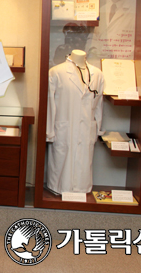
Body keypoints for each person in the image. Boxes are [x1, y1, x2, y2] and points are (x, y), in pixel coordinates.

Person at [46, 49, 104, 194]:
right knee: (62, 166)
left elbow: (99, 106)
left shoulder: (97, 74)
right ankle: (58, 187)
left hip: (86, 129)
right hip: (64, 128)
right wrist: (49, 132)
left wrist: (97, 129)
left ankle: (81, 188)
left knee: (83, 165)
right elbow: (50, 104)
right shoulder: (56, 72)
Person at [86, 0, 136, 67]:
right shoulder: (102, 9)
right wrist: (92, 50)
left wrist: (111, 54)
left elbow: (139, 45)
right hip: (98, 65)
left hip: (122, 66)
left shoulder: (136, 11)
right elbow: (93, 37)